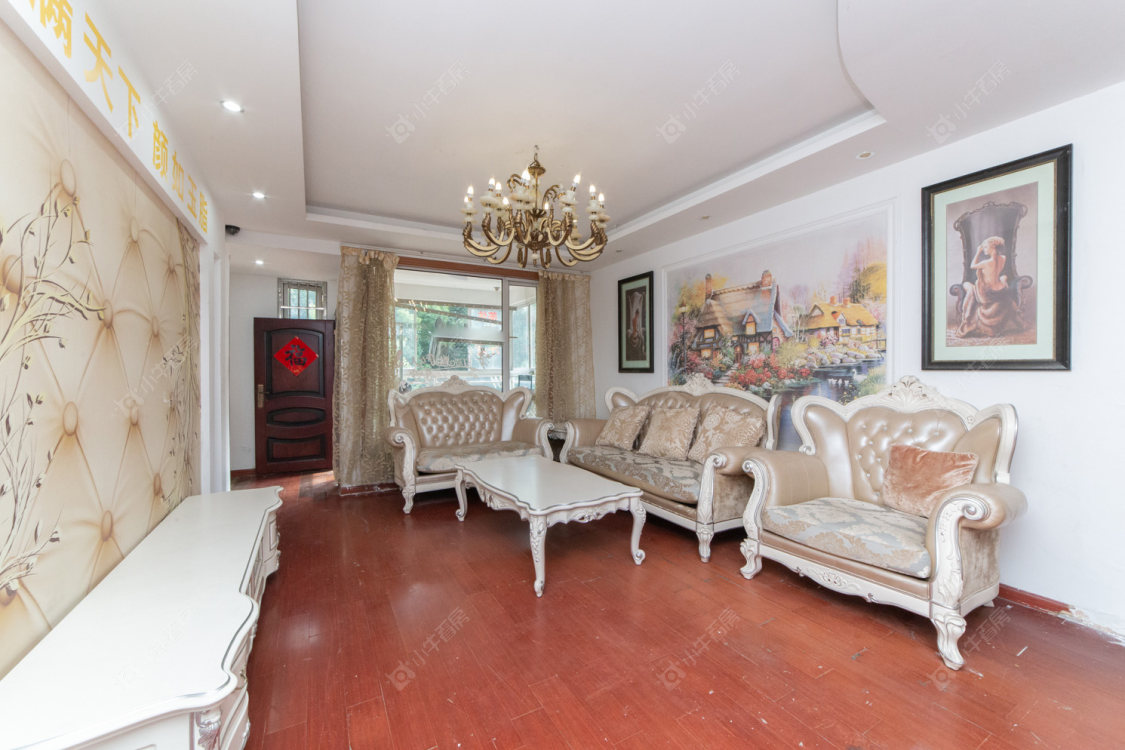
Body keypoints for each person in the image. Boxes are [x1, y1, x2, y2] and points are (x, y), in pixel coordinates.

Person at [957, 235, 1020, 337]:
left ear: (993, 247)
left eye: (986, 247)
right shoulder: (1003, 258)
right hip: (1000, 290)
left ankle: (967, 318)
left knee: (967, 285)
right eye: (983, 248)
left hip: (987, 293)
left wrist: (978, 252)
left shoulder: (986, 263)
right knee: (1002, 278)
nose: (984, 249)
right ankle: (967, 317)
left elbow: (972, 266)